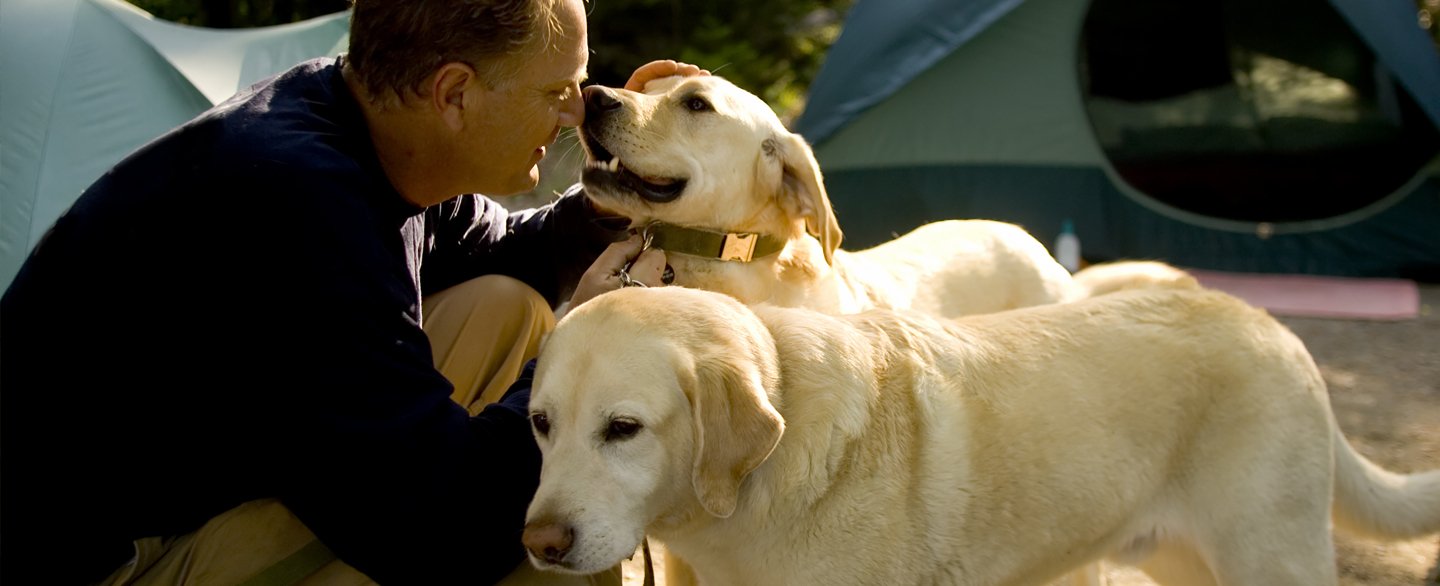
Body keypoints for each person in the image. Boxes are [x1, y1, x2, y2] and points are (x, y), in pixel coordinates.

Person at [0, 0, 707, 583]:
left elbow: (503, 252)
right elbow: (438, 532)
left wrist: (614, 198)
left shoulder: (360, 118)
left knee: (503, 303)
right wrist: (585, 337)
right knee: (537, 540)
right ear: (454, 94)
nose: (574, 116)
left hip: (213, 471)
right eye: (559, 92)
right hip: (101, 560)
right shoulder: (298, 203)